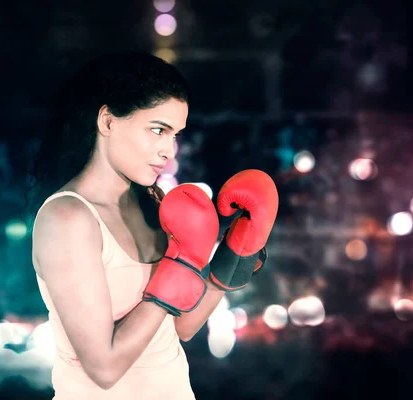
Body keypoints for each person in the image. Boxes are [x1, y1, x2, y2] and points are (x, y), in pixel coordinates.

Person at [28, 52, 279, 399]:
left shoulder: (153, 204)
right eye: (158, 130)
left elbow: (182, 327)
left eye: (174, 135)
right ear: (108, 121)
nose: (168, 151)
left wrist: (234, 258)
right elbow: (104, 368)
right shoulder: (68, 218)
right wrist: (181, 266)